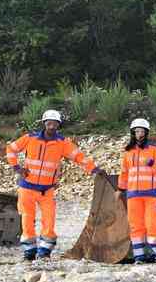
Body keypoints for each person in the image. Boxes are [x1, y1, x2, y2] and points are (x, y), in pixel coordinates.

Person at [7, 110, 103, 260]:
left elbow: (79, 157)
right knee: (27, 219)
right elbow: (11, 149)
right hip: (27, 187)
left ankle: (45, 251)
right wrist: (16, 167)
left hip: (47, 190)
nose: (51, 126)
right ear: (44, 123)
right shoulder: (30, 138)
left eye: (55, 123)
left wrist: (94, 169)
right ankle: (29, 251)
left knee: (49, 220)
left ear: (58, 125)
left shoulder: (62, 143)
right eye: (49, 122)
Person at [114, 118, 156, 264]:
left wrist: (151, 163)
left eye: (141, 131)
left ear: (146, 133)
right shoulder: (128, 153)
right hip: (133, 195)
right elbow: (124, 172)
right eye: (136, 131)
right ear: (132, 133)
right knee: (135, 225)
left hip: (151, 194)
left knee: (152, 225)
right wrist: (120, 189)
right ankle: (139, 257)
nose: (139, 134)